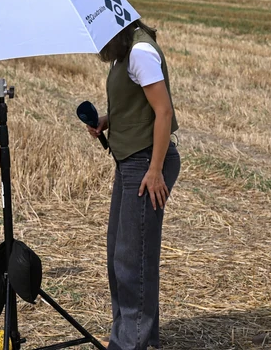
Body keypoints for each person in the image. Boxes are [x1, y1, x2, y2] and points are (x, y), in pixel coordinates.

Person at [84, 19, 182, 350]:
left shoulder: (140, 51)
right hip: (130, 160)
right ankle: (133, 336)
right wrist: (107, 121)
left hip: (147, 161)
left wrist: (155, 170)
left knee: (133, 259)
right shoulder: (125, 50)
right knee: (119, 253)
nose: (97, 47)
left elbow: (164, 112)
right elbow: (137, 103)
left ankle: (132, 344)